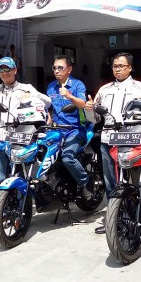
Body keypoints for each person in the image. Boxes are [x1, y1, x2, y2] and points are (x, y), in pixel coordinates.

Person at [0, 56, 51, 229]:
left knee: (19, 177)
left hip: (19, 138)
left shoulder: (26, 88)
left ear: (15, 70)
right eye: (1, 70)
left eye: (8, 69)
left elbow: (47, 102)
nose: (5, 73)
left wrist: (32, 98)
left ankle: (19, 215)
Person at [85, 52, 141, 234]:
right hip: (108, 138)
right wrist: (89, 110)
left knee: (133, 181)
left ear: (130, 68)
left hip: (132, 139)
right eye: (115, 66)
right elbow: (94, 118)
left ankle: (135, 217)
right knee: (110, 182)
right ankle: (114, 220)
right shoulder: (104, 89)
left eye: (121, 66)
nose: (117, 69)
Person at [46, 56, 92, 200]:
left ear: (69, 69)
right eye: (54, 68)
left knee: (67, 158)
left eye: (60, 68)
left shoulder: (77, 85)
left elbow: (83, 104)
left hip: (75, 130)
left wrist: (69, 96)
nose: (57, 71)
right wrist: (48, 119)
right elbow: (49, 107)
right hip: (56, 130)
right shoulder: (51, 86)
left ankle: (85, 183)